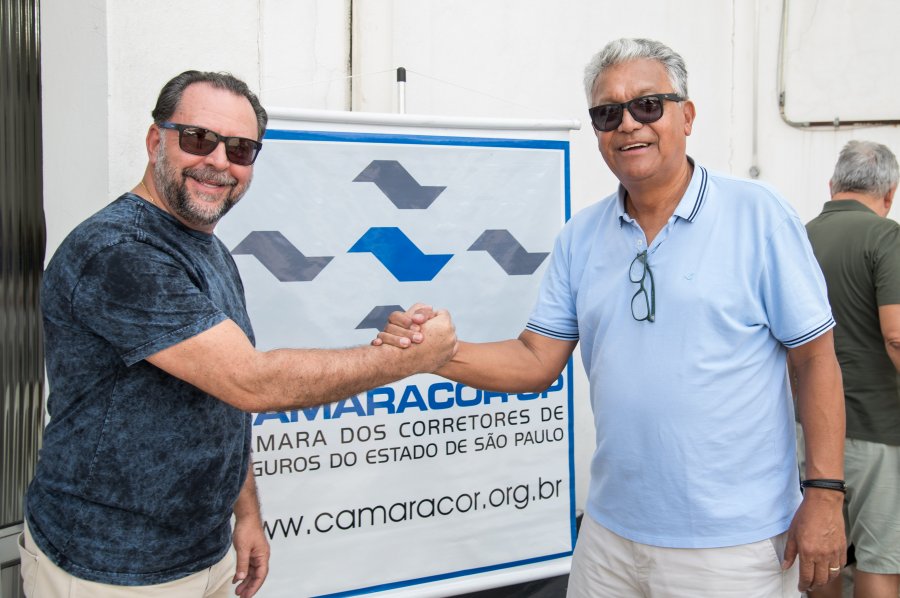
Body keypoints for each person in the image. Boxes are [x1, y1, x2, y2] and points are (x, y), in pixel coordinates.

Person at [378, 38, 846, 597]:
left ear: (687, 116)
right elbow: (535, 359)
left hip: (733, 546)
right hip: (609, 538)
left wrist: (825, 493)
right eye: (607, 113)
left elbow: (815, 359)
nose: (627, 124)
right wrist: (440, 354)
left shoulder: (759, 215)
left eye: (647, 105)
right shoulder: (581, 235)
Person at [19, 70, 457, 598]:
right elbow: (251, 382)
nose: (220, 162)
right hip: (106, 569)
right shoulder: (119, 252)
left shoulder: (205, 247)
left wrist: (244, 514)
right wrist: (407, 358)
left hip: (203, 554)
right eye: (198, 138)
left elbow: (221, 399)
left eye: (241, 149)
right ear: (156, 141)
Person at [802, 140, 900, 598]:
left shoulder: (800, 237)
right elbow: (897, 335)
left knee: (823, 555)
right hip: (877, 429)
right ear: (889, 193)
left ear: (832, 185)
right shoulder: (886, 237)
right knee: (880, 559)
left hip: (807, 429)